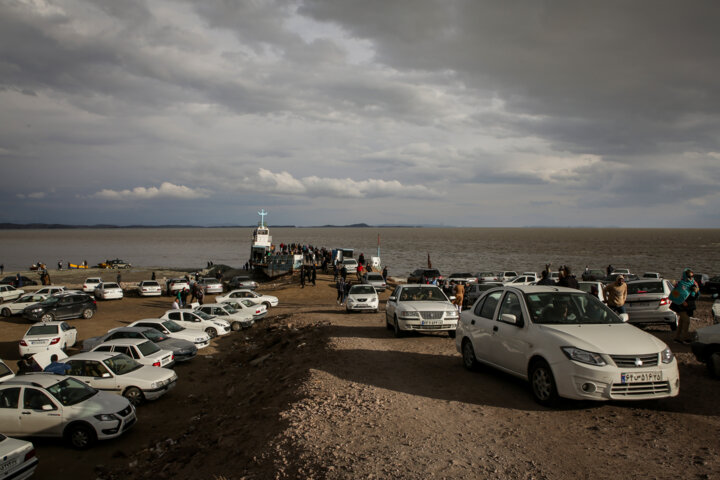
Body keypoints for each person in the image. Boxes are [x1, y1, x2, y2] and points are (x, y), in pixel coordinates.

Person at [669, 268, 699, 344]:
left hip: (689, 306)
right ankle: (684, 338)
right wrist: (682, 301)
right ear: (685, 276)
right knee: (686, 321)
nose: (691, 278)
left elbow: (695, 296)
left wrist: (695, 291)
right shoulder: (680, 284)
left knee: (682, 321)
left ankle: (677, 338)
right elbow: (675, 294)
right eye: (689, 276)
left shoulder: (694, 283)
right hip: (680, 306)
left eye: (692, 276)